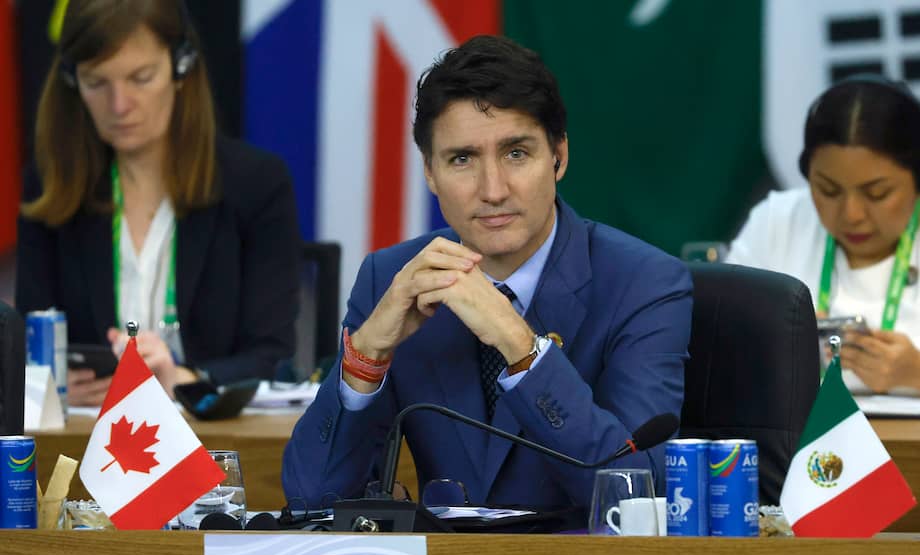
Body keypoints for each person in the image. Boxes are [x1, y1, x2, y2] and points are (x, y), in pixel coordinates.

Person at [282, 35, 693, 512]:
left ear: (558, 156)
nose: (492, 190)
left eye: (516, 153)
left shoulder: (646, 283)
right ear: (430, 173)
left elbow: (635, 496)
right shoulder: (390, 277)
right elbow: (311, 500)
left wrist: (520, 347)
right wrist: (368, 353)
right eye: (462, 159)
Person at [16, 0, 300, 406]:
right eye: (97, 83)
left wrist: (185, 378)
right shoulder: (52, 184)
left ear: (181, 68)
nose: (119, 105)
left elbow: (273, 357)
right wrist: (49, 385)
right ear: (71, 82)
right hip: (91, 437)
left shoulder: (256, 183)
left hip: (215, 439)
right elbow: (29, 341)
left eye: (140, 78)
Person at [728, 74, 920, 394]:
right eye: (828, 190)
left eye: (877, 193)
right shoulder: (779, 221)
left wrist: (915, 374)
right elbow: (716, 348)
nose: (852, 215)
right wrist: (778, 351)